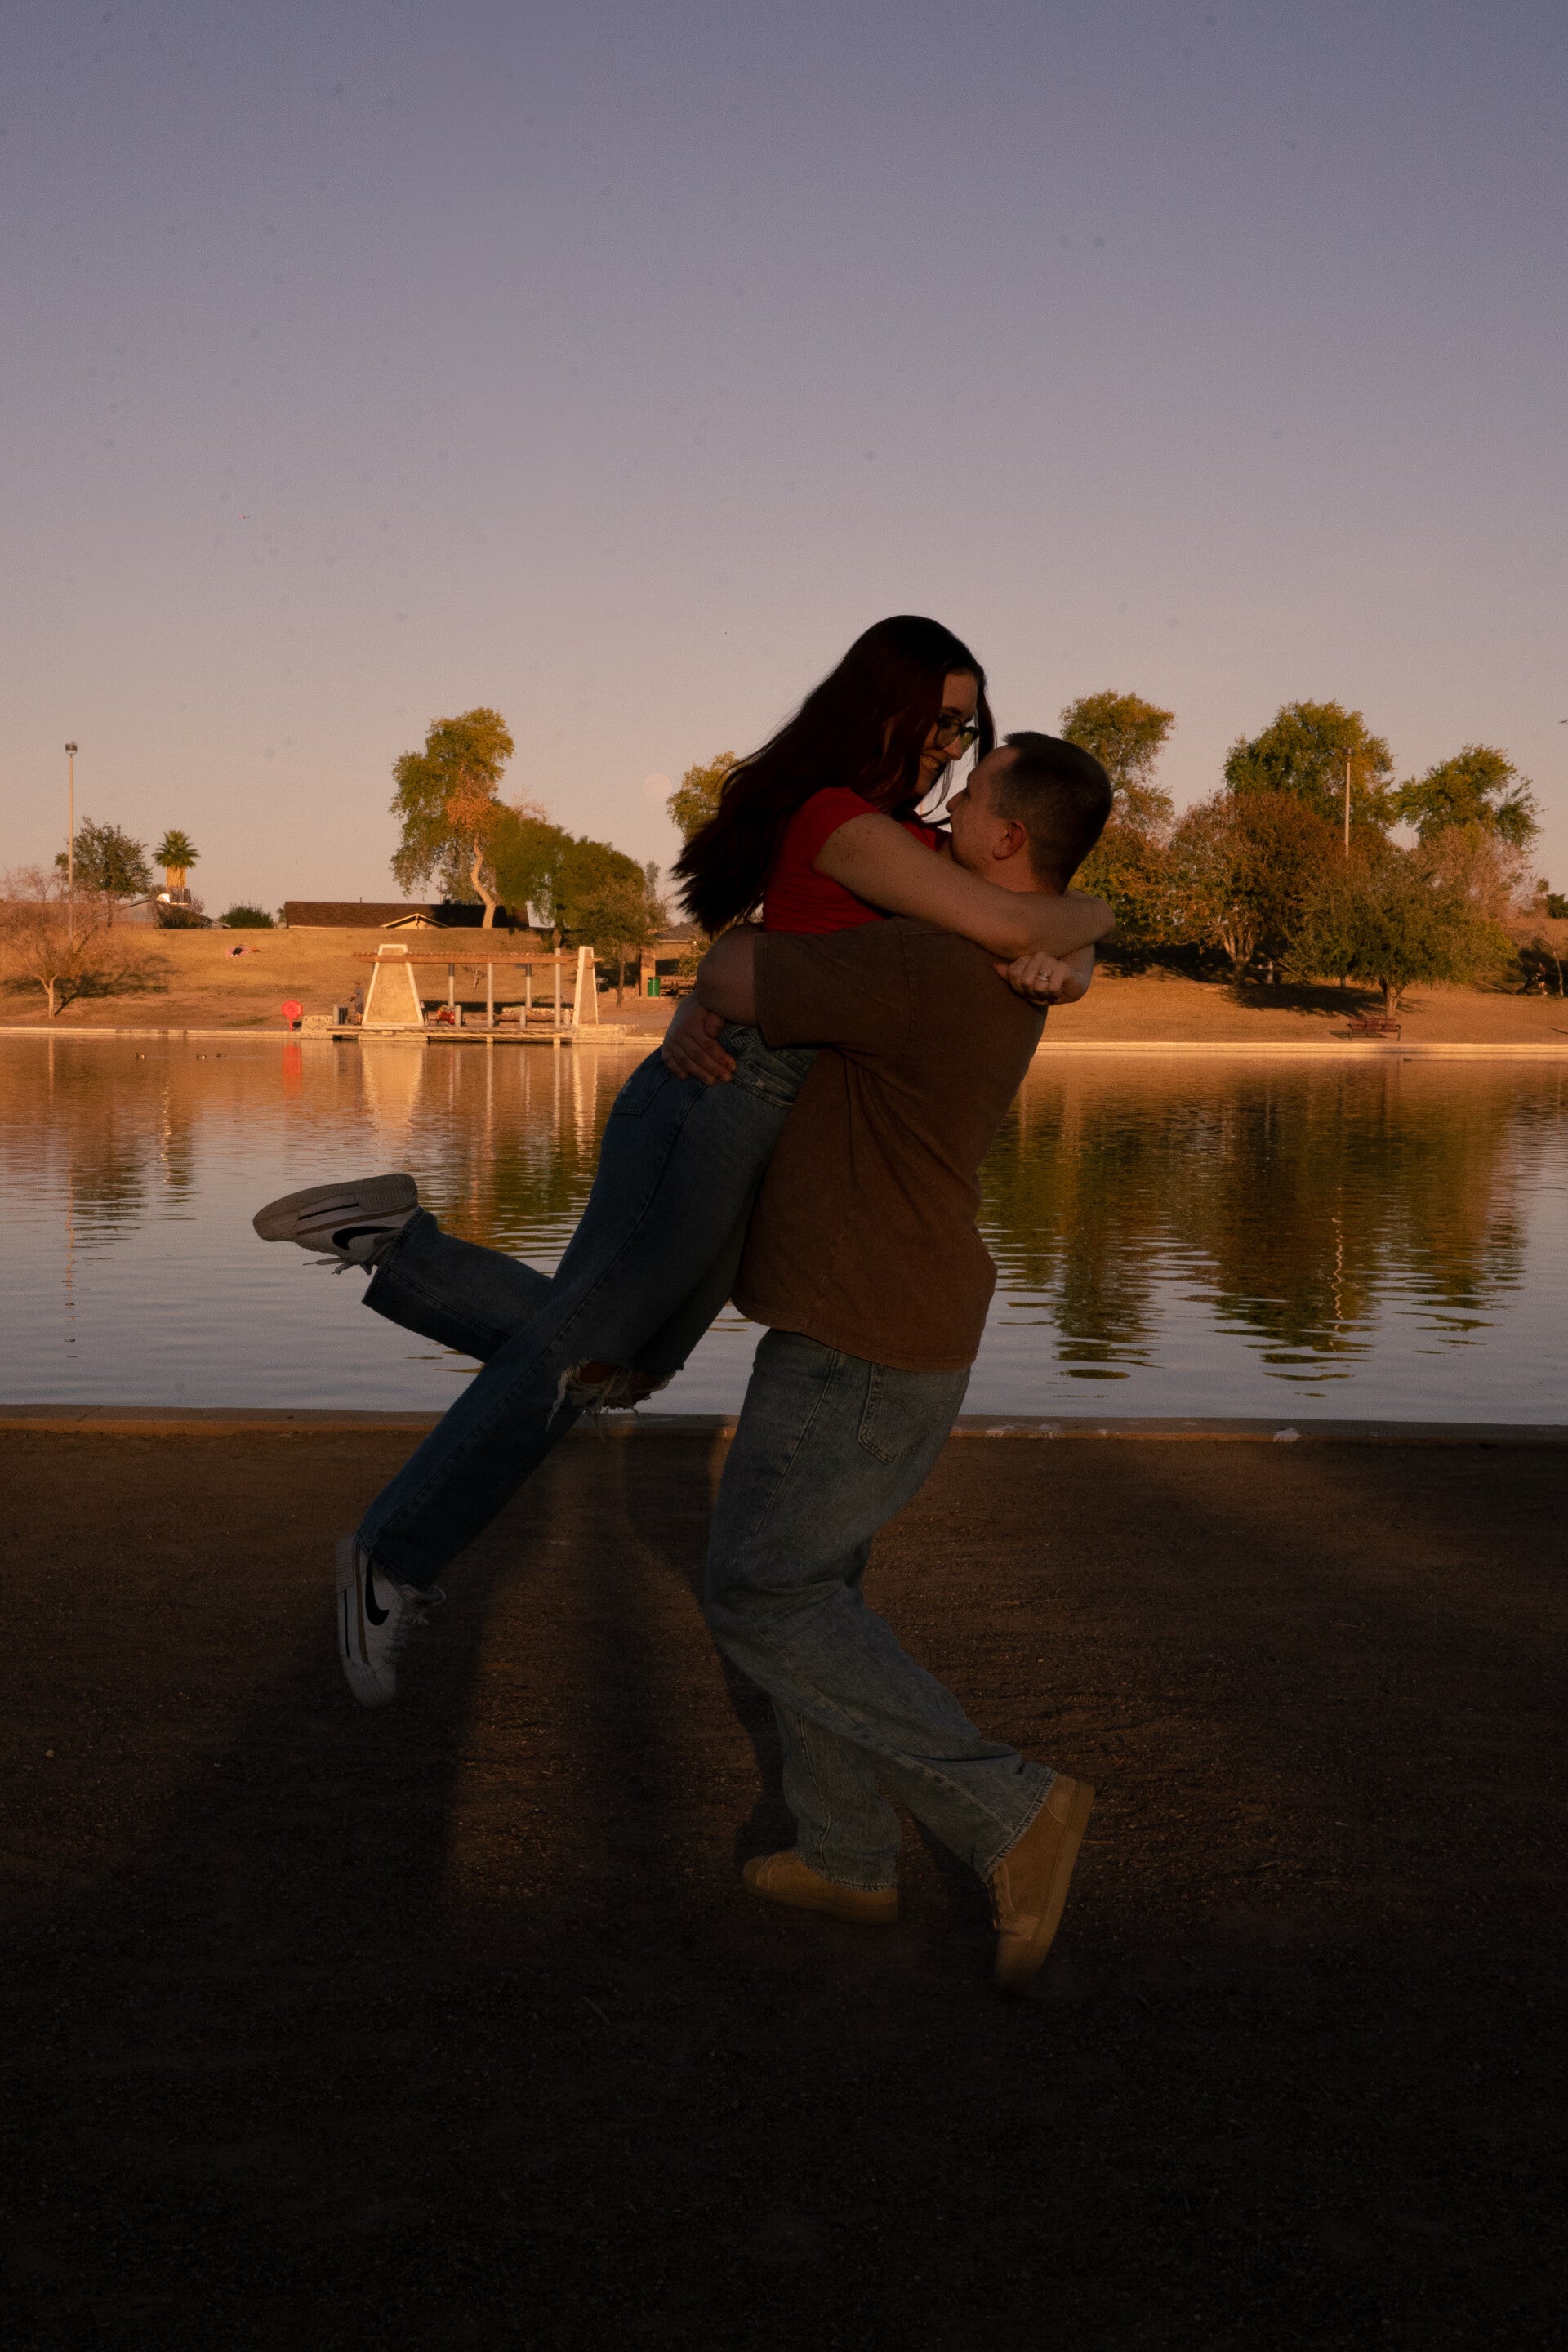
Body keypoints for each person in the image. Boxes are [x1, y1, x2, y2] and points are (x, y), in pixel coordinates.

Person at [252, 620, 1113, 1706]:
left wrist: (1073, 951)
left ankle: (399, 1249)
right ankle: (392, 1555)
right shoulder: (844, 820)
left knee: (623, 1365)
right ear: (882, 706)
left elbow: (1007, 907)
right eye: (942, 721)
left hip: (752, 1104)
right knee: (585, 1355)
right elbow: (1001, 914)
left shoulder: (902, 834)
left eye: (968, 730)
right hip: (725, 1090)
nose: (951, 746)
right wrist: (1089, 930)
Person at [689, 732, 1112, 1991]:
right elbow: (1069, 918)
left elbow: (733, 972)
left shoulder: (933, 961)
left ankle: (1009, 1811)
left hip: (863, 1336)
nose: (941, 810)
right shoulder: (998, 958)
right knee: (818, 1593)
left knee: (765, 1595)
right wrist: (1080, 933)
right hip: (873, 1318)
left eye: (968, 799)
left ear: (1003, 843)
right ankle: (846, 1853)